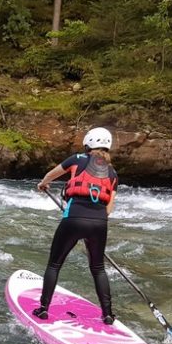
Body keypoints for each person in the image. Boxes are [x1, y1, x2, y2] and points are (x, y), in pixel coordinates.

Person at [32, 127, 119, 324]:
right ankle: (107, 314)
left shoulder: (77, 159)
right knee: (98, 268)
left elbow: (52, 174)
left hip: (74, 218)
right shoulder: (113, 173)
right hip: (99, 223)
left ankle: (43, 309)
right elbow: (109, 208)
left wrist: (43, 184)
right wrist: (94, 221)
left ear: (88, 143)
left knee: (54, 264)